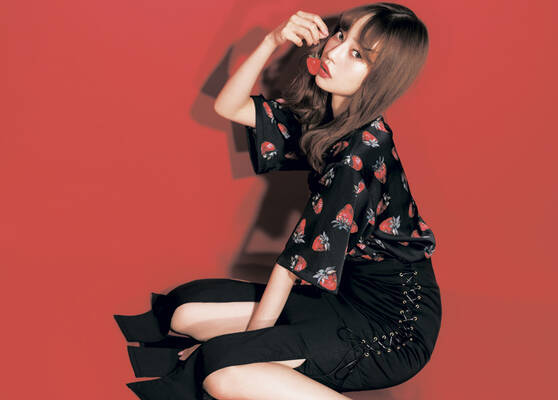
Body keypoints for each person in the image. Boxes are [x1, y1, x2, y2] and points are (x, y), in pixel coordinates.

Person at [114, 3, 442, 399]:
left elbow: (292, 267)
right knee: (183, 314)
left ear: (380, 78)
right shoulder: (331, 116)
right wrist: (272, 40)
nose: (334, 52)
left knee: (222, 372)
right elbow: (228, 106)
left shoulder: (359, 154)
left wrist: (245, 349)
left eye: (357, 54)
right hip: (342, 294)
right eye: (341, 35)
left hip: (394, 328)